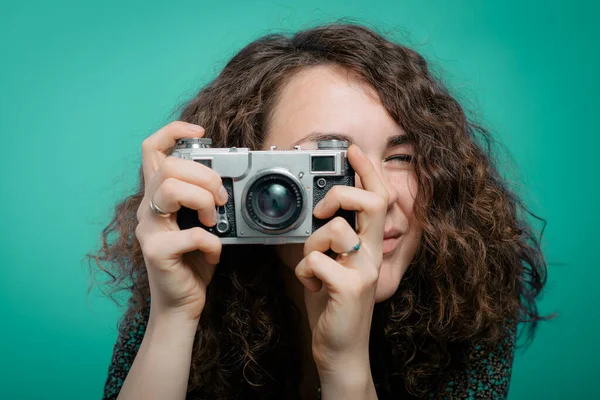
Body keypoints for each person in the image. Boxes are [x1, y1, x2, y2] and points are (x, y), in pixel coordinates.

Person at [88, 23, 550, 400]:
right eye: (325, 164)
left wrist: (345, 366)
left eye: (402, 158)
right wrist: (173, 316)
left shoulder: (468, 302)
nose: (378, 196)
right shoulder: (186, 284)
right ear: (242, 178)